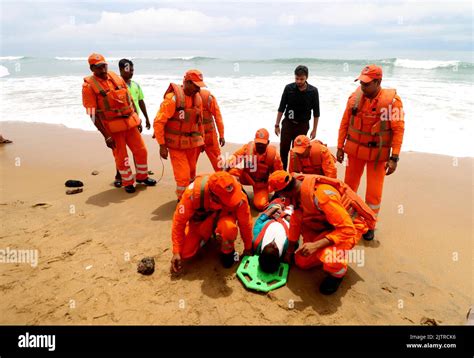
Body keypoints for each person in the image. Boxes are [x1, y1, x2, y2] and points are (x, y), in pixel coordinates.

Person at [268, 170, 377, 295]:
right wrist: (290, 251)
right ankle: (324, 253)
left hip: (349, 228)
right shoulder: (297, 194)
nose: (279, 196)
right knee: (301, 262)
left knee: (328, 256)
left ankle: (337, 274)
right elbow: (295, 221)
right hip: (327, 226)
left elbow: (347, 229)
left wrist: (316, 245)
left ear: (286, 191)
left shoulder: (322, 196)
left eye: (280, 193)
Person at [336, 64, 405, 241]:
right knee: (348, 188)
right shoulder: (354, 99)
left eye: (366, 84)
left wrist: (394, 157)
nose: (363, 87)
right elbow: (344, 123)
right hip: (355, 152)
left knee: (373, 194)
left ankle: (369, 224)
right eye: (361, 83)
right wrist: (339, 146)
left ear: (378, 82)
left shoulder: (392, 103)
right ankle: (345, 217)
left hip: (377, 156)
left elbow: (398, 130)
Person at [82, 53, 156, 193]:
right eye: (99, 67)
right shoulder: (89, 87)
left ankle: (142, 177)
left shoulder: (116, 78)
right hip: (113, 128)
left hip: (130, 122)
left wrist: (137, 118)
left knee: (141, 151)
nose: (103, 70)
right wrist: (106, 136)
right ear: (92, 68)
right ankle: (127, 182)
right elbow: (92, 114)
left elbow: (129, 99)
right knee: (122, 157)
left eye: (104, 66)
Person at [170, 171, 253, 272]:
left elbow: (245, 223)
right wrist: (176, 251)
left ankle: (227, 250)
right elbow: (179, 222)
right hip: (202, 223)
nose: (231, 200)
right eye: (227, 199)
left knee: (228, 229)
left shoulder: (237, 194)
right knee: (184, 253)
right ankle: (207, 238)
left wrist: (248, 247)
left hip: (225, 220)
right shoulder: (192, 195)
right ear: (213, 196)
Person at [154, 69, 206, 200]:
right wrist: (162, 145)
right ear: (187, 83)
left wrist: (202, 140)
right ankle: (182, 202)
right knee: (183, 176)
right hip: (176, 145)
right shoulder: (173, 99)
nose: (198, 89)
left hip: (192, 144)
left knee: (192, 173)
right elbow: (159, 122)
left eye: (200, 86)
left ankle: (191, 198)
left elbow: (199, 121)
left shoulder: (198, 98)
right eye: (196, 86)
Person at [111, 58, 152, 188]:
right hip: (119, 124)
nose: (131, 72)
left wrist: (145, 118)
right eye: (129, 69)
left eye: (133, 69)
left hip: (134, 121)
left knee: (138, 150)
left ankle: (141, 175)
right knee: (121, 153)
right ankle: (119, 176)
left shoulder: (135, 85)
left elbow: (140, 101)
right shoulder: (114, 86)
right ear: (121, 70)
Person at [275, 65, 320, 170]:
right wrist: (277, 124)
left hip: (302, 126)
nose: (299, 81)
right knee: (284, 151)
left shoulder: (313, 91)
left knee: (297, 153)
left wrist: (314, 130)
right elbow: (281, 107)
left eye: (301, 79)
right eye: (296, 78)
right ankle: (283, 175)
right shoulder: (288, 88)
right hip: (288, 124)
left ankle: (293, 175)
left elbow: (316, 112)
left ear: (306, 78)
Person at [227, 128, 283, 210]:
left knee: (260, 205)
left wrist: (277, 194)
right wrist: (225, 167)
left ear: (268, 142)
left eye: (262, 144)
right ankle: (241, 193)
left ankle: (260, 195)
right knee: (231, 173)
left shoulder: (274, 156)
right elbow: (234, 157)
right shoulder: (247, 149)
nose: (260, 145)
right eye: (258, 143)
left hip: (261, 183)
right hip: (246, 178)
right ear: (254, 141)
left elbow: (279, 176)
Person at [252, 198, 294, 273]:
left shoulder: (257, 242)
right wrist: (284, 215)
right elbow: (295, 228)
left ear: (261, 252)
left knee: (275, 202)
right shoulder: (288, 247)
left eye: (268, 245)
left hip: (273, 211)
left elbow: (259, 221)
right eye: (275, 248)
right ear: (278, 257)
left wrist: (275, 208)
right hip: (290, 215)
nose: (273, 243)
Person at [199, 88, 225, 171]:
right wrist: (221, 135)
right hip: (198, 136)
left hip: (197, 136)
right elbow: (218, 117)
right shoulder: (208, 97)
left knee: (190, 163)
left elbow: (218, 117)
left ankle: (188, 182)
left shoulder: (185, 97)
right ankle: (223, 179)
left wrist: (221, 135)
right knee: (218, 163)